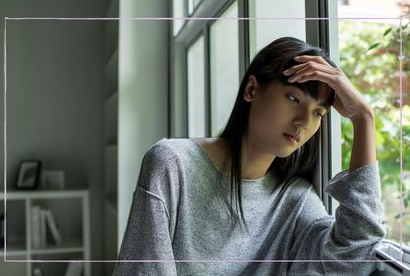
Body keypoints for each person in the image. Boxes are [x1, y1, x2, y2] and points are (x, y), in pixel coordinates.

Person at [113, 36, 386, 275]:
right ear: (251, 89)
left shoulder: (295, 201)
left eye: (318, 113)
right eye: (294, 99)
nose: (304, 121)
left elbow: (354, 257)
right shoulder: (172, 164)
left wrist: (363, 119)